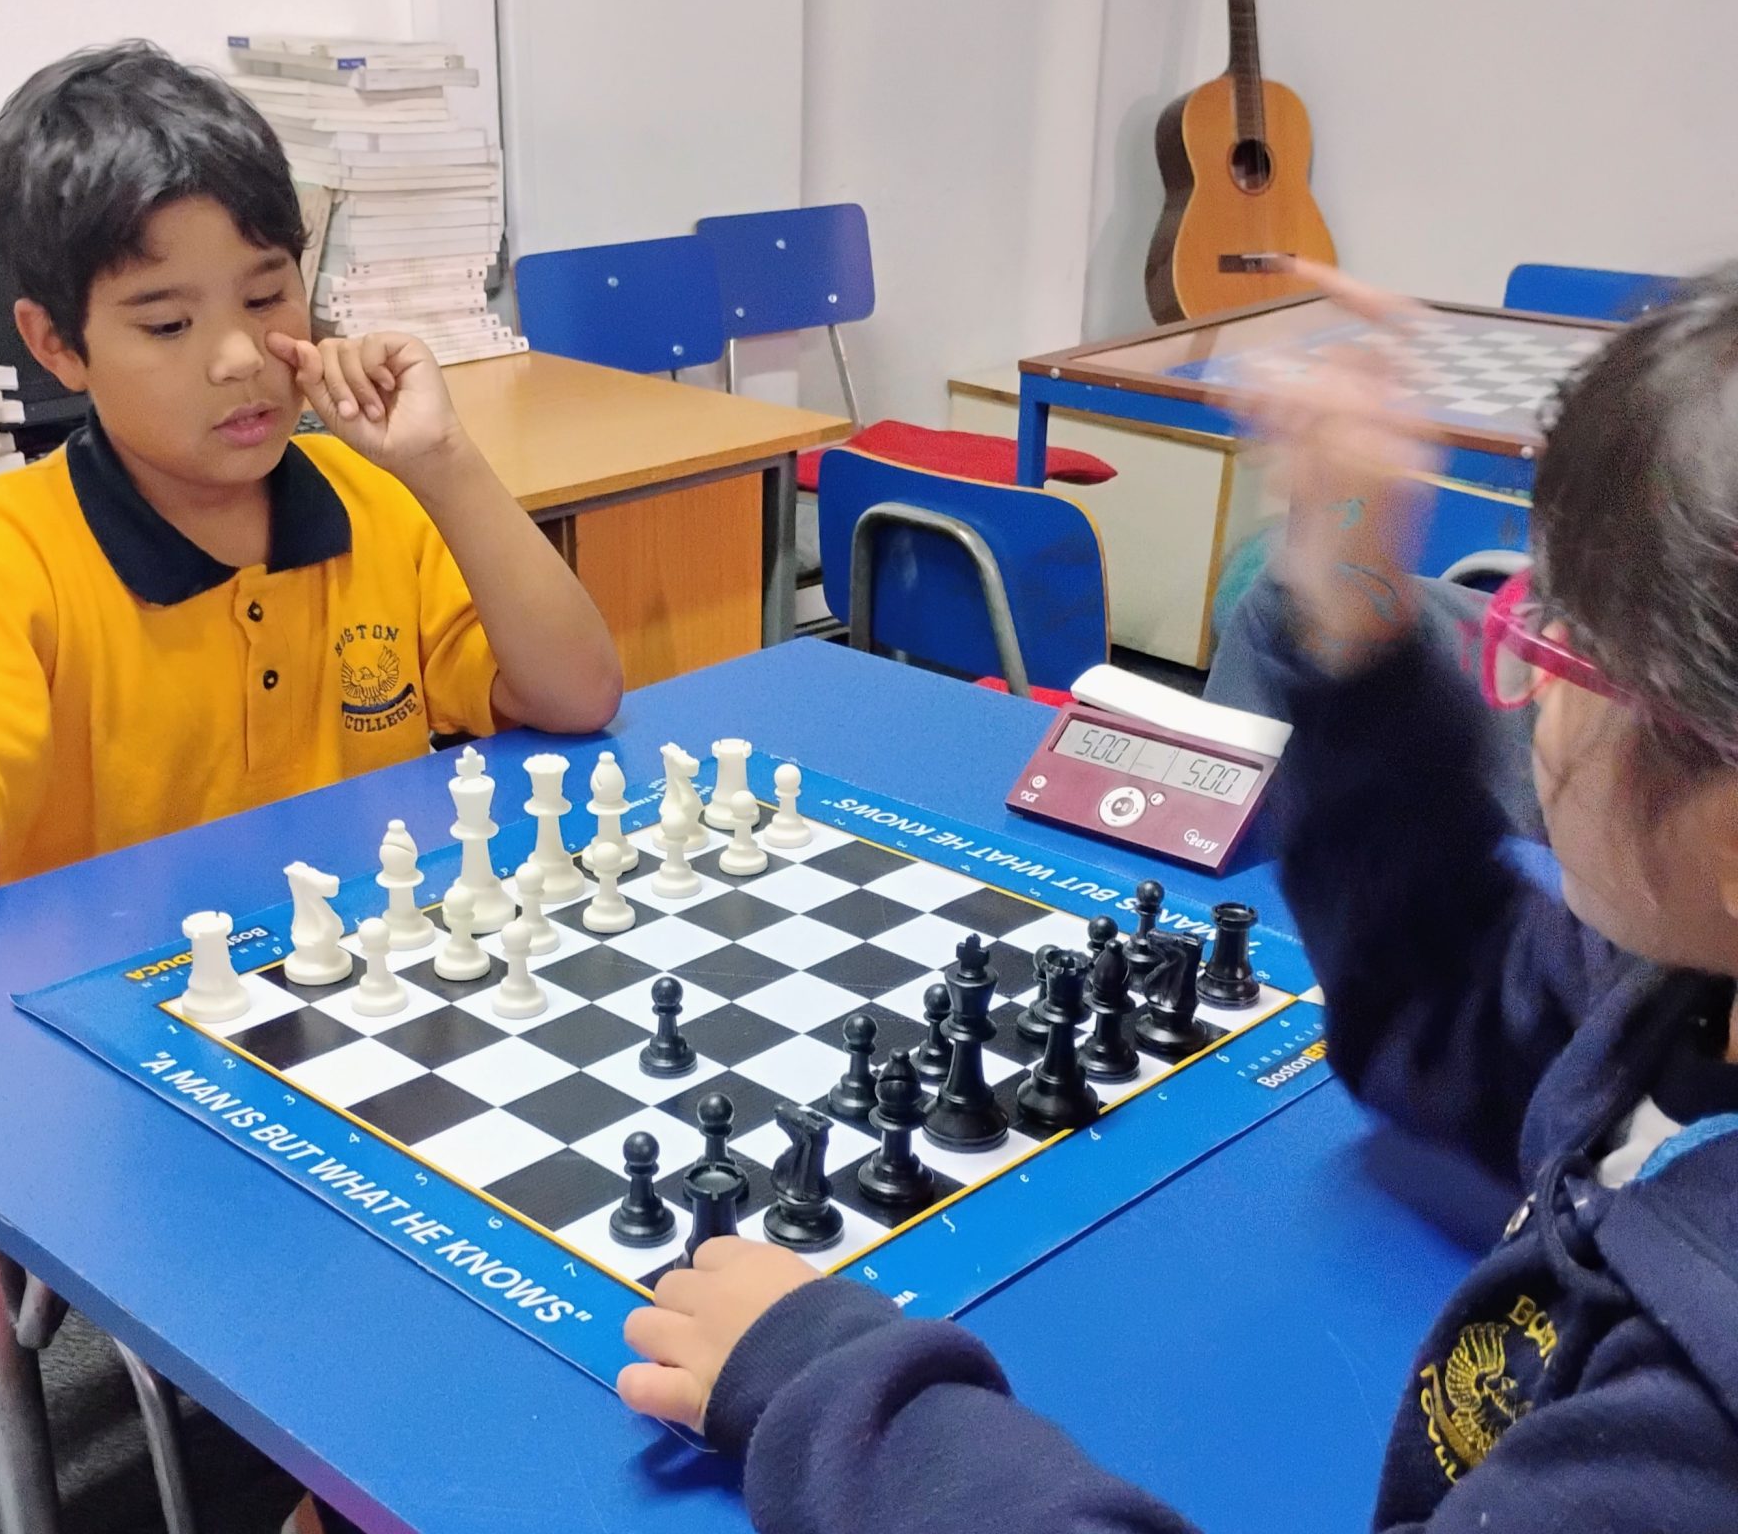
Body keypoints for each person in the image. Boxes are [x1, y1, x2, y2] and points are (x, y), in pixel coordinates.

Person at [617, 265, 1738, 1531]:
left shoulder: (1690, 1435)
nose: (1523, 681)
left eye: (1563, 641)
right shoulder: (1692, 994)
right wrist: (1354, 623)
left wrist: (840, 1397)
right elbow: (1465, 1019)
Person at [0, 42, 621, 1191]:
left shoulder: (375, 505)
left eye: (266, 294)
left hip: (380, 1009)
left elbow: (576, 694)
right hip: (122, 1060)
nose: (239, 357)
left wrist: (445, 465)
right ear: (56, 344)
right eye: (165, 324)